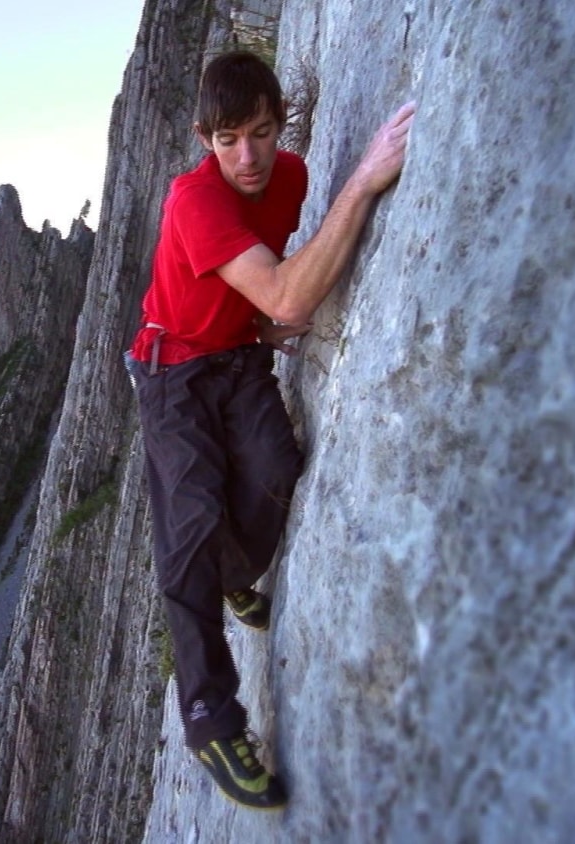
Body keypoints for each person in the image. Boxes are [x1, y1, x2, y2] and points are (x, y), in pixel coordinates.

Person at [125, 50, 415, 809]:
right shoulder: (193, 202)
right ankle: (210, 719)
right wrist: (366, 180)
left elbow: (262, 282)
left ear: (280, 123)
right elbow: (287, 294)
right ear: (205, 139)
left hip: (238, 353)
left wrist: (257, 322)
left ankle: (235, 576)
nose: (247, 157)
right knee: (190, 524)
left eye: (259, 133)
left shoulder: (291, 176)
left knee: (275, 470)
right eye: (228, 140)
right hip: (173, 371)